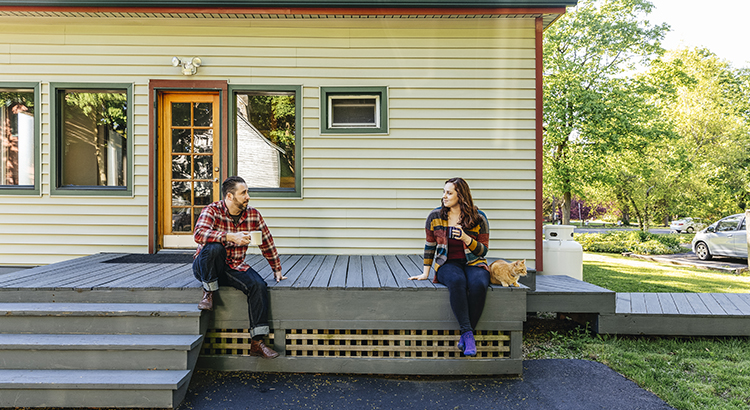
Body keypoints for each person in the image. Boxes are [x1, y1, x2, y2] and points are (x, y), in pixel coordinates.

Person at [192, 176, 287, 359]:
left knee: (258, 285)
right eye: (243, 193)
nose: (248, 196)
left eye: (247, 192)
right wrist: (229, 236)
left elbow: (266, 241)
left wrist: (276, 268)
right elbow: (198, 234)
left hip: (234, 266)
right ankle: (209, 293)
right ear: (229, 196)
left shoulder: (253, 215)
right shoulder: (212, 210)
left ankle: (257, 342)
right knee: (214, 248)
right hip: (205, 267)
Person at [409, 177, 490, 357]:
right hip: (447, 263)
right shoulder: (435, 216)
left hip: (473, 262)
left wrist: (465, 238)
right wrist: (425, 273)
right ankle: (469, 335)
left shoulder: (479, 218)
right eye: (444, 192)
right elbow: (430, 245)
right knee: (457, 280)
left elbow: (483, 251)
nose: (444, 196)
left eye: (449, 192)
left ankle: (465, 334)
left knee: (478, 284)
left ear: (460, 195)